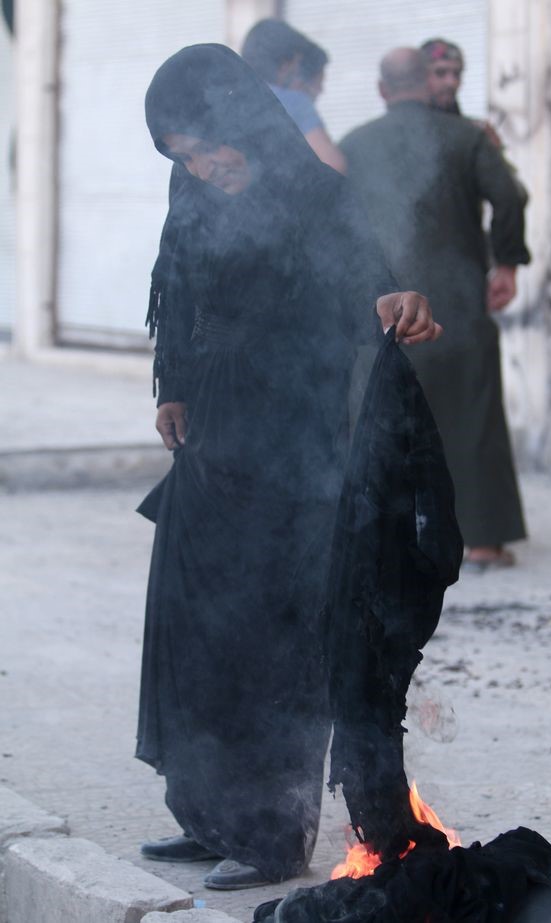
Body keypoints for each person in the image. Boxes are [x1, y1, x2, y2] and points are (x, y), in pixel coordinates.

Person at [137, 43, 441, 891]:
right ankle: (207, 815)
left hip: (292, 448)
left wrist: (396, 301)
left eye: (207, 147)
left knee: (268, 633)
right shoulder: (191, 190)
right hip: (210, 442)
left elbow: (369, 285)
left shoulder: (318, 195)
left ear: (240, 120)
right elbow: (177, 289)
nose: (203, 167)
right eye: (184, 157)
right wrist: (174, 384)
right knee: (195, 627)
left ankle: (269, 833)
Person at [340, 48, 530, 568]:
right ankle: (484, 541)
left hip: (383, 308)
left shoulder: (352, 144)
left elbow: (336, 220)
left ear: (382, 90)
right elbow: (510, 197)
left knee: (379, 416)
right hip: (457, 305)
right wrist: (507, 264)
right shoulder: (468, 137)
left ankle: (382, 535)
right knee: (473, 416)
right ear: (427, 83)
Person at [241, 19, 346, 172]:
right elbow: (333, 164)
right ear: (286, 65)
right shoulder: (293, 102)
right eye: (297, 64)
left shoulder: (228, 102)